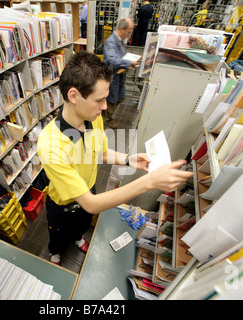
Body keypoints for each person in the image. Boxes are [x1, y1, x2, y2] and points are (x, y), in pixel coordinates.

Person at [37, 51, 194, 265]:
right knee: (57, 234)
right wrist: (150, 181)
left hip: (88, 188)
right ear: (74, 95)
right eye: (99, 100)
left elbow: (100, 152)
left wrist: (129, 160)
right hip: (63, 204)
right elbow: (91, 205)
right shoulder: (50, 145)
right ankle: (54, 251)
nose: (104, 107)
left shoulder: (93, 118)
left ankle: (77, 237)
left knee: (81, 226)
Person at [103, 17, 136, 129]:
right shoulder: (111, 42)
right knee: (112, 99)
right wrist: (129, 62)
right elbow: (113, 60)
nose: (129, 35)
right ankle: (107, 119)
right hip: (112, 76)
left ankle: (106, 114)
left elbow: (120, 57)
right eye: (129, 32)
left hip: (119, 75)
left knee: (120, 97)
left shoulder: (120, 41)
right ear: (121, 29)